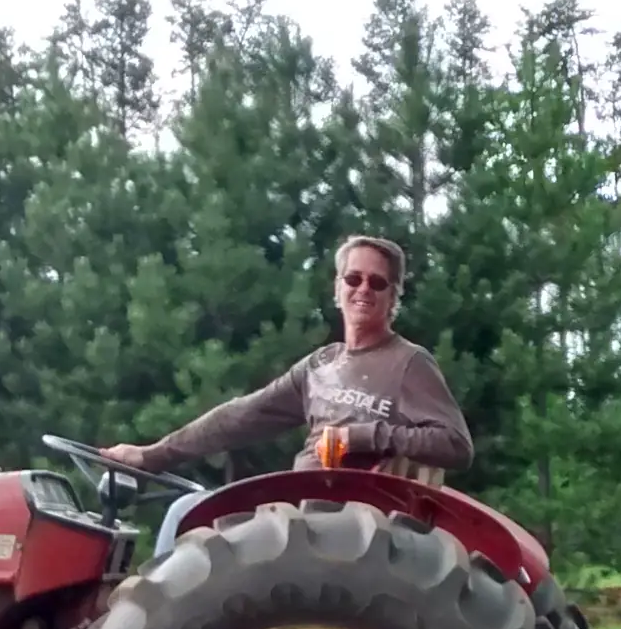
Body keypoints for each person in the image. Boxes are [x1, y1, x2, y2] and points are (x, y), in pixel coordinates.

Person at [102, 236, 473, 555]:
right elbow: (241, 416)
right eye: (353, 278)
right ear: (337, 288)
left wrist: (360, 436)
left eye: (377, 283)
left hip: (346, 520)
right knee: (186, 508)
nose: (363, 289)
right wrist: (151, 455)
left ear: (394, 297)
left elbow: (455, 444)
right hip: (302, 503)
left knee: (187, 513)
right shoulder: (321, 364)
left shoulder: (409, 363)